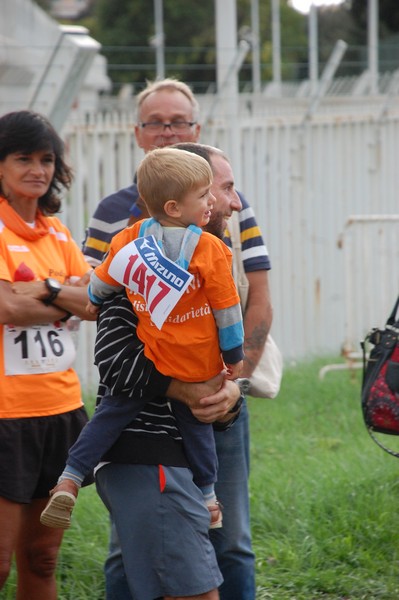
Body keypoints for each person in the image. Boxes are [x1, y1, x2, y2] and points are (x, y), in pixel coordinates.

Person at [83, 78, 272, 600]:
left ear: (197, 128)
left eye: (180, 122)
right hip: (149, 415)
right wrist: (183, 388)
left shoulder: (225, 220)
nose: (234, 202)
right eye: (156, 122)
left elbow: (257, 300)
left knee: (230, 539)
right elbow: (105, 315)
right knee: (130, 547)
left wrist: (236, 384)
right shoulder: (125, 223)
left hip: (223, 400)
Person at [40, 147, 244, 532]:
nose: (213, 200)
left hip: (151, 356)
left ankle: (69, 478)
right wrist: (234, 358)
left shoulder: (130, 240)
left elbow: (99, 286)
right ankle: (209, 499)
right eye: (203, 195)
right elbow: (228, 312)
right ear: (173, 206)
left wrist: (98, 297)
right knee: (198, 431)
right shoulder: (211, 250)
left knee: (106, 419)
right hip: (194, 365)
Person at [0, 110, 97, 599]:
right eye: (23, 158)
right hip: (4, 416)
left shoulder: (59, 234)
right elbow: (5, 307)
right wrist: (64, 295)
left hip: (60, 412)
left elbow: (95, 305)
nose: (37, 169)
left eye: (46, 159)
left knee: (42, 559)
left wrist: (43, 289)